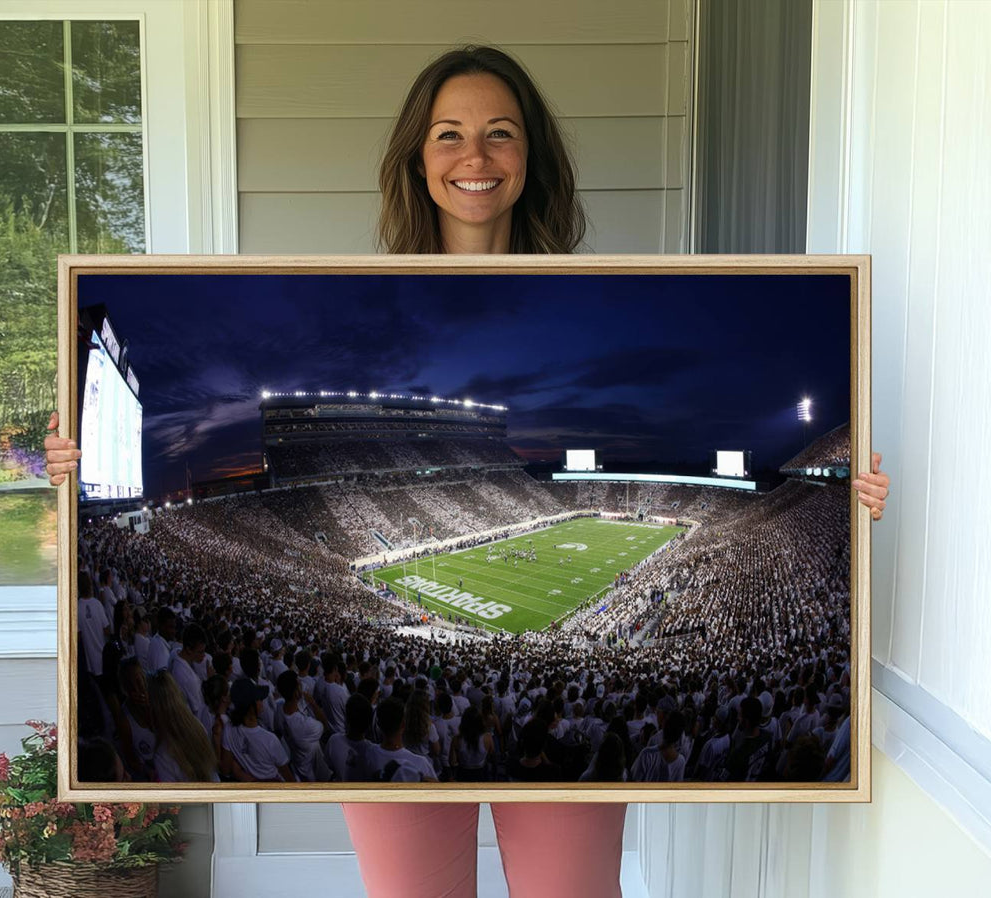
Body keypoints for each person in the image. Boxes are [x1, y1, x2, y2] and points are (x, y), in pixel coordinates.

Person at [45, 43, 892, 898]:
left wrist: (842, 494)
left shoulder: (580, 295)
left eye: (500, 133)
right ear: (418, 158)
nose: (474, 157)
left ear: (532, 158)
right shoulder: (358, 294)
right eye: (448, 134)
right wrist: (74, 463)